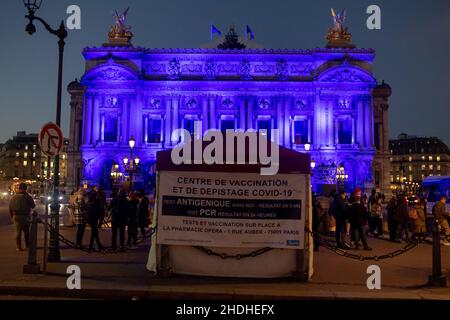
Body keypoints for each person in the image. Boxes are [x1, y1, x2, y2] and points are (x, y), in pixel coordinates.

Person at [9, 183, 35, 251]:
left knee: (18, 231)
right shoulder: (27, 196)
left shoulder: (13, 197)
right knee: (26, 231)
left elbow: (10, 207)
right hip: (25, 216)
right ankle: (27, 245)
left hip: (16, 216)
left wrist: (12, 216)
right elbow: (33, 206)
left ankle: (18, 247)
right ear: (25, 188)